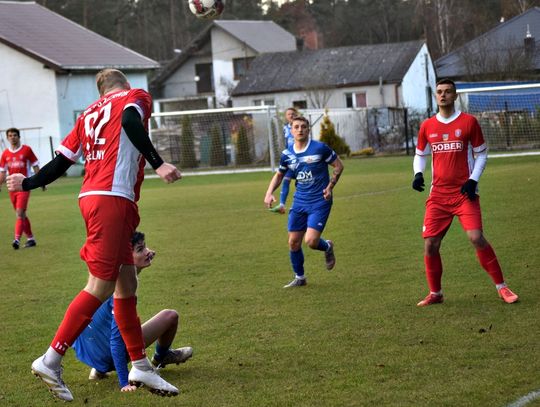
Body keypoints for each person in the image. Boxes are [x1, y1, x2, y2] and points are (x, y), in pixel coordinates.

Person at [7, 68, 182, 401]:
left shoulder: (87, 113)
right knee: (99, 287)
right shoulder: (135, 96)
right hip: (111, 199)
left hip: (97, 198)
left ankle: (140, 365)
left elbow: (61, 163)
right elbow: (130, 122)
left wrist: (28, 182)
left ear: (100, 92)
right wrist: (158, 163)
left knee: (126, 284)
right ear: (124, 84)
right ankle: (51, 359)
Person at [412, 78, 519, 307]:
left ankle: (502, 287)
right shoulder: (427, 126)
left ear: (455, 95)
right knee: (430, 244)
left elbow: (482, 153)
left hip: (464, 194)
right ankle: (436, 293)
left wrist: (473, 180)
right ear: (435, 96)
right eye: (439, 92)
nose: (443, 95)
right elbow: (420, 154)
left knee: (476, 237)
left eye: (448, 91)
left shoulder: (469, 122)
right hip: (438, 196)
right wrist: (418, 174)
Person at [73, 231, 193, 392]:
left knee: (118, 327)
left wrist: (142, 259)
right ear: (125, 258)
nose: (147, 252)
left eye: (145, 247)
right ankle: (160, 357)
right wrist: (124, 383)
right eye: (140, 249)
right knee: (170, 316)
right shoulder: (121, 291)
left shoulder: (106, 279)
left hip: (87, 352)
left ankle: (98, 369)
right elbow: (116, 340)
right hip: (107, 355)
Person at [264, 116, 344, 288]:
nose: (300, 130)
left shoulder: (320, 148)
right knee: (293, 242)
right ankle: (300, 277)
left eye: (303, 127)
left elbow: (339, 166)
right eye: (296, 127)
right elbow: (279, 175)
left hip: (320, 201)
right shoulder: (287, 154)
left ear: (308, 130)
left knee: (311, 241)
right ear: (291, 131)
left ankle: (327, 246)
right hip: (300, 202)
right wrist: (269, 193)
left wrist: (330, 187)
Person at [0, 127, 44, 249]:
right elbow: (3, 172)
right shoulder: (5, 154)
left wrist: (41, 181)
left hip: (24, 186)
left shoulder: (26, 150)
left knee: (19, 213)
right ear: (7, 138)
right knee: (22, 214)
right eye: (10, 136)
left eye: (15, 135)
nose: (12, 137)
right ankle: (31, 239)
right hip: (11, 188)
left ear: (19, 137)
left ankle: (17, 240)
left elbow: (35, 166)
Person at [269, 107, 298, 214]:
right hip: (290, 159)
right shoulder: (285, 128)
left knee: (301, 183)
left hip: (301, 159)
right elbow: (286, 143)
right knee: (286, 179)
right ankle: (281, 205)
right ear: (286, 116)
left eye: (293, 114)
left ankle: (298, 205)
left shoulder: (299, 127)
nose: (291, 116)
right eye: (289, 114)